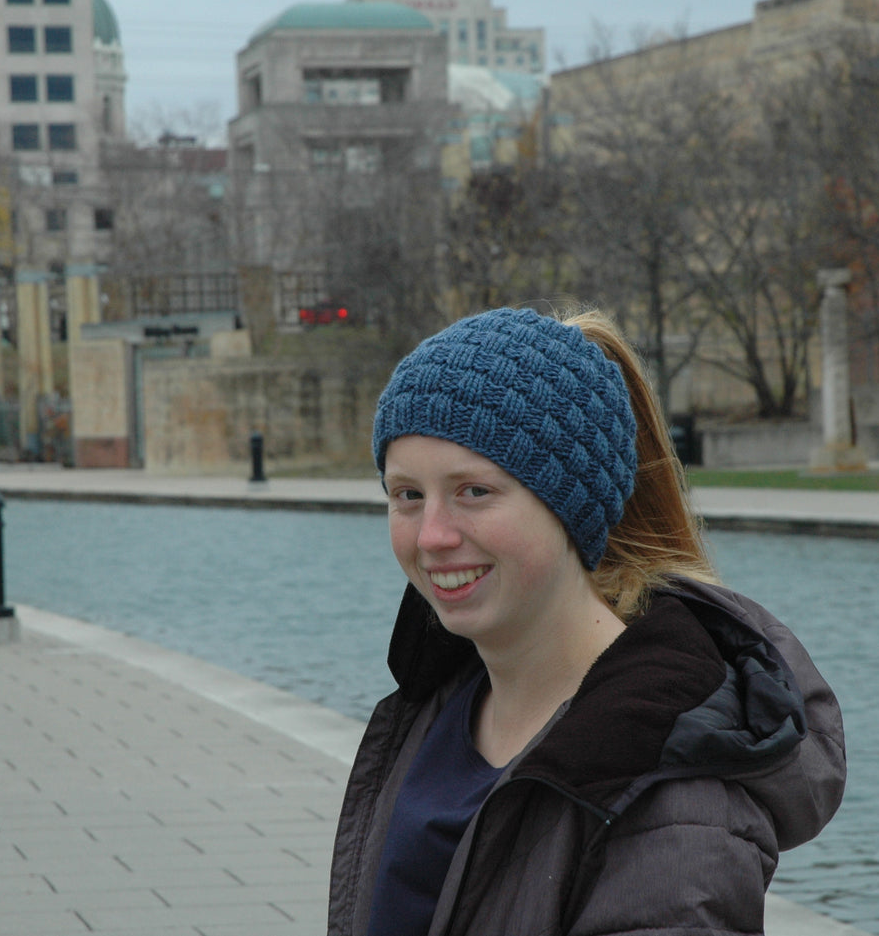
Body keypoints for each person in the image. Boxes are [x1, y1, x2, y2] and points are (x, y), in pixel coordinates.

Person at [328, 306, 845, 936]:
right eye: (407, 495)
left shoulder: (672, 794)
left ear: (572, 506)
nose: (432, 535)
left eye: (474, 492)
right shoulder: (433, 702)